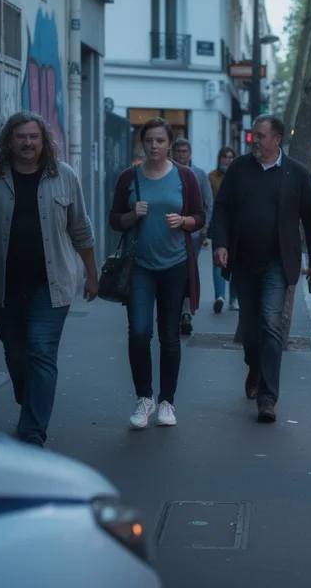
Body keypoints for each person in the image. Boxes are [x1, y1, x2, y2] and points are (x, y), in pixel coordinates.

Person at [0, 112, 98, 448]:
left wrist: (93, 275)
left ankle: (33, 430)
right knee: (16, 353)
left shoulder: (63, 176)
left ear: (43, 141)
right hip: (3, 286)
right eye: (21, 136)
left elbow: (81, 229)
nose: (28, 143)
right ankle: (30, 395)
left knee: (41, 350)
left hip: (52, 285)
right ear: (9, 140)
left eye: (34, 137)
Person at [211, 115, 311, 423]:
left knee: (272, 325)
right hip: (244, 261)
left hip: (278, 262)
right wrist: (220, 243)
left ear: (277, 139)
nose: (254, 141)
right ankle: (255, 366)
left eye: (260, 136)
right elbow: (221, 208)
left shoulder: (296, 174)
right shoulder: (239, 169)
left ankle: (268, 397)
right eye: (252, 136)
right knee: (249, 329)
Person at [109, 118, 208, 429]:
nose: (154, 146)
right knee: (139, 332)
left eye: (160, 141)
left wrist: (184, 221)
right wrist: (130, 215)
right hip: (139, 265)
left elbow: (200, 217)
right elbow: (114, 219)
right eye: (149, 140)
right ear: (143, 143)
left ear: (170, 144)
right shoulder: (129, 177)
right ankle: (144, 399)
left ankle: (167, 402)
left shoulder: (185, 176)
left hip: (175, 265)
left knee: (169, 336)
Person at [170, 137, 214, 334]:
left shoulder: (199, 174)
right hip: (169, 232)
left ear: (190, 153)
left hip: (193, 233)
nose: (181, 155)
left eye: (184, 152)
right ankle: (172, 308)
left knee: (188, 270)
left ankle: (186, 311)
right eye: (178, 151)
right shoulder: (167, 173)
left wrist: (204, 228)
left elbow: (208, 203)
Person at [208, 147, 237, 312]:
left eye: (231, 157)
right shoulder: (212, 177)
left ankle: (234, 298)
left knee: (236, 263)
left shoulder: (240, 176)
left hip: (237, 226)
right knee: (218, 261)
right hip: (219, 225)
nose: (228, 160)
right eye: (225, 157)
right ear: (219, 159)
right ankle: (219, 296)